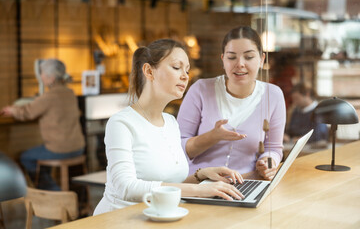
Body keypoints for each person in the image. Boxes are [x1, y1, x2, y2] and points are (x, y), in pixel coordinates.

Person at [93, 39, 244, 215]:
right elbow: (125, 187)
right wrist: (199, 191)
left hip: (160, 217)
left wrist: (200, 176)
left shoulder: (171, 122)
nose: (185, 76)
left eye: (187, 70)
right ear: (149, 71)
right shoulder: (121, 123)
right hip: (120, 219)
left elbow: (168, 184)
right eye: (176, 67)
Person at [177, 26, 286, 180]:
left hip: (247, 184)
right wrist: (212, 137)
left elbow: (273, 148)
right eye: (232, 57)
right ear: (223, 60)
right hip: (200, 186)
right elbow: (177, 150)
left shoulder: (273, 95)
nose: (240, 64)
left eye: (248, 57)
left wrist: (268, 162)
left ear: (261, 60)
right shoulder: (201, 90)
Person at [1, 59, 85, 190]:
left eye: (42, 74)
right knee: (42, 159)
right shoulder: (70, 93)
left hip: (59, 149)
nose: (40, 76)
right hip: (78, 147)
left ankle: (54, 194)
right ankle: (68, 195)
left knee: (26, 157)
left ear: (51, 78)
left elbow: (27, 112)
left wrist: (12, 110)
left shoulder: (49, 96)